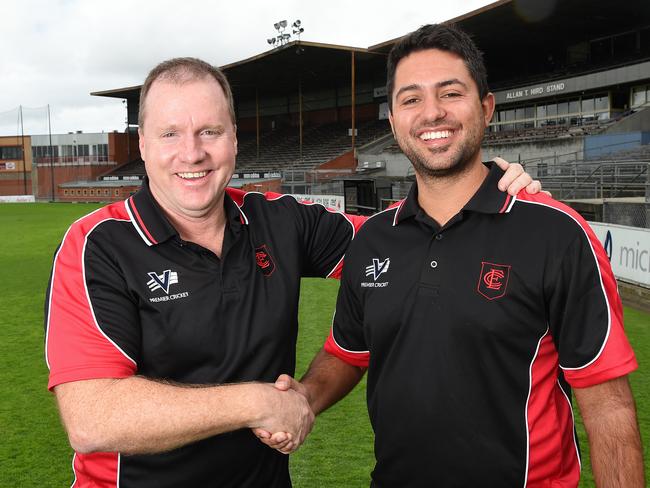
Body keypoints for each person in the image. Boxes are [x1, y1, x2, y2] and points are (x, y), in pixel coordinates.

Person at [45, 57, 539, 487]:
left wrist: (490, 193)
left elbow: (409, 241)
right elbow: (92, 417)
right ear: (144, 146)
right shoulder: (97, 246)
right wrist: (256, 404)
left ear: (234, 140)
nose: (192, 152)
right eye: (170, 133)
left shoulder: (278, 221)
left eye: (209, 132)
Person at [260, 24, 645, 487]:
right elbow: (348, 351)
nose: (432, 113)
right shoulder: (374, 239)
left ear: (486, 107)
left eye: (451, 92)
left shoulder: (556, 233)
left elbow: (608, 405)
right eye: (411, 99)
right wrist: (304, 396)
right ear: (394, 118)